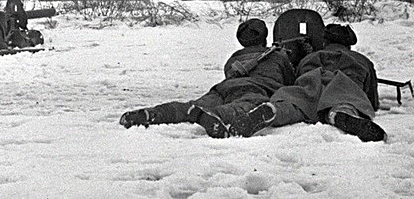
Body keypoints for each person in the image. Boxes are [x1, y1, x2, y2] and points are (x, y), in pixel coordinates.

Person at [119, 18, 295, 138]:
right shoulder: (278, 57)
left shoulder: (233, 58)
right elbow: (290, 81)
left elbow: (229, 72)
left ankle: (155, 113)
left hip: (223, 88)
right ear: (264, 37)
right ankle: (213, 116)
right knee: (243, 107)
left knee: (192, 105)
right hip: (255, 89)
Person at [229, 23, 385, 142]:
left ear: (325, 42)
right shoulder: (362, 61)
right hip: (344, 84)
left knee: (296, 103)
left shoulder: (310, 58)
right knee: (346, 102)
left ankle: (276, 110)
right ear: (349, 45)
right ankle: (340, 114)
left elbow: (295, 78)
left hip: (310, 80)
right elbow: (371, 97)